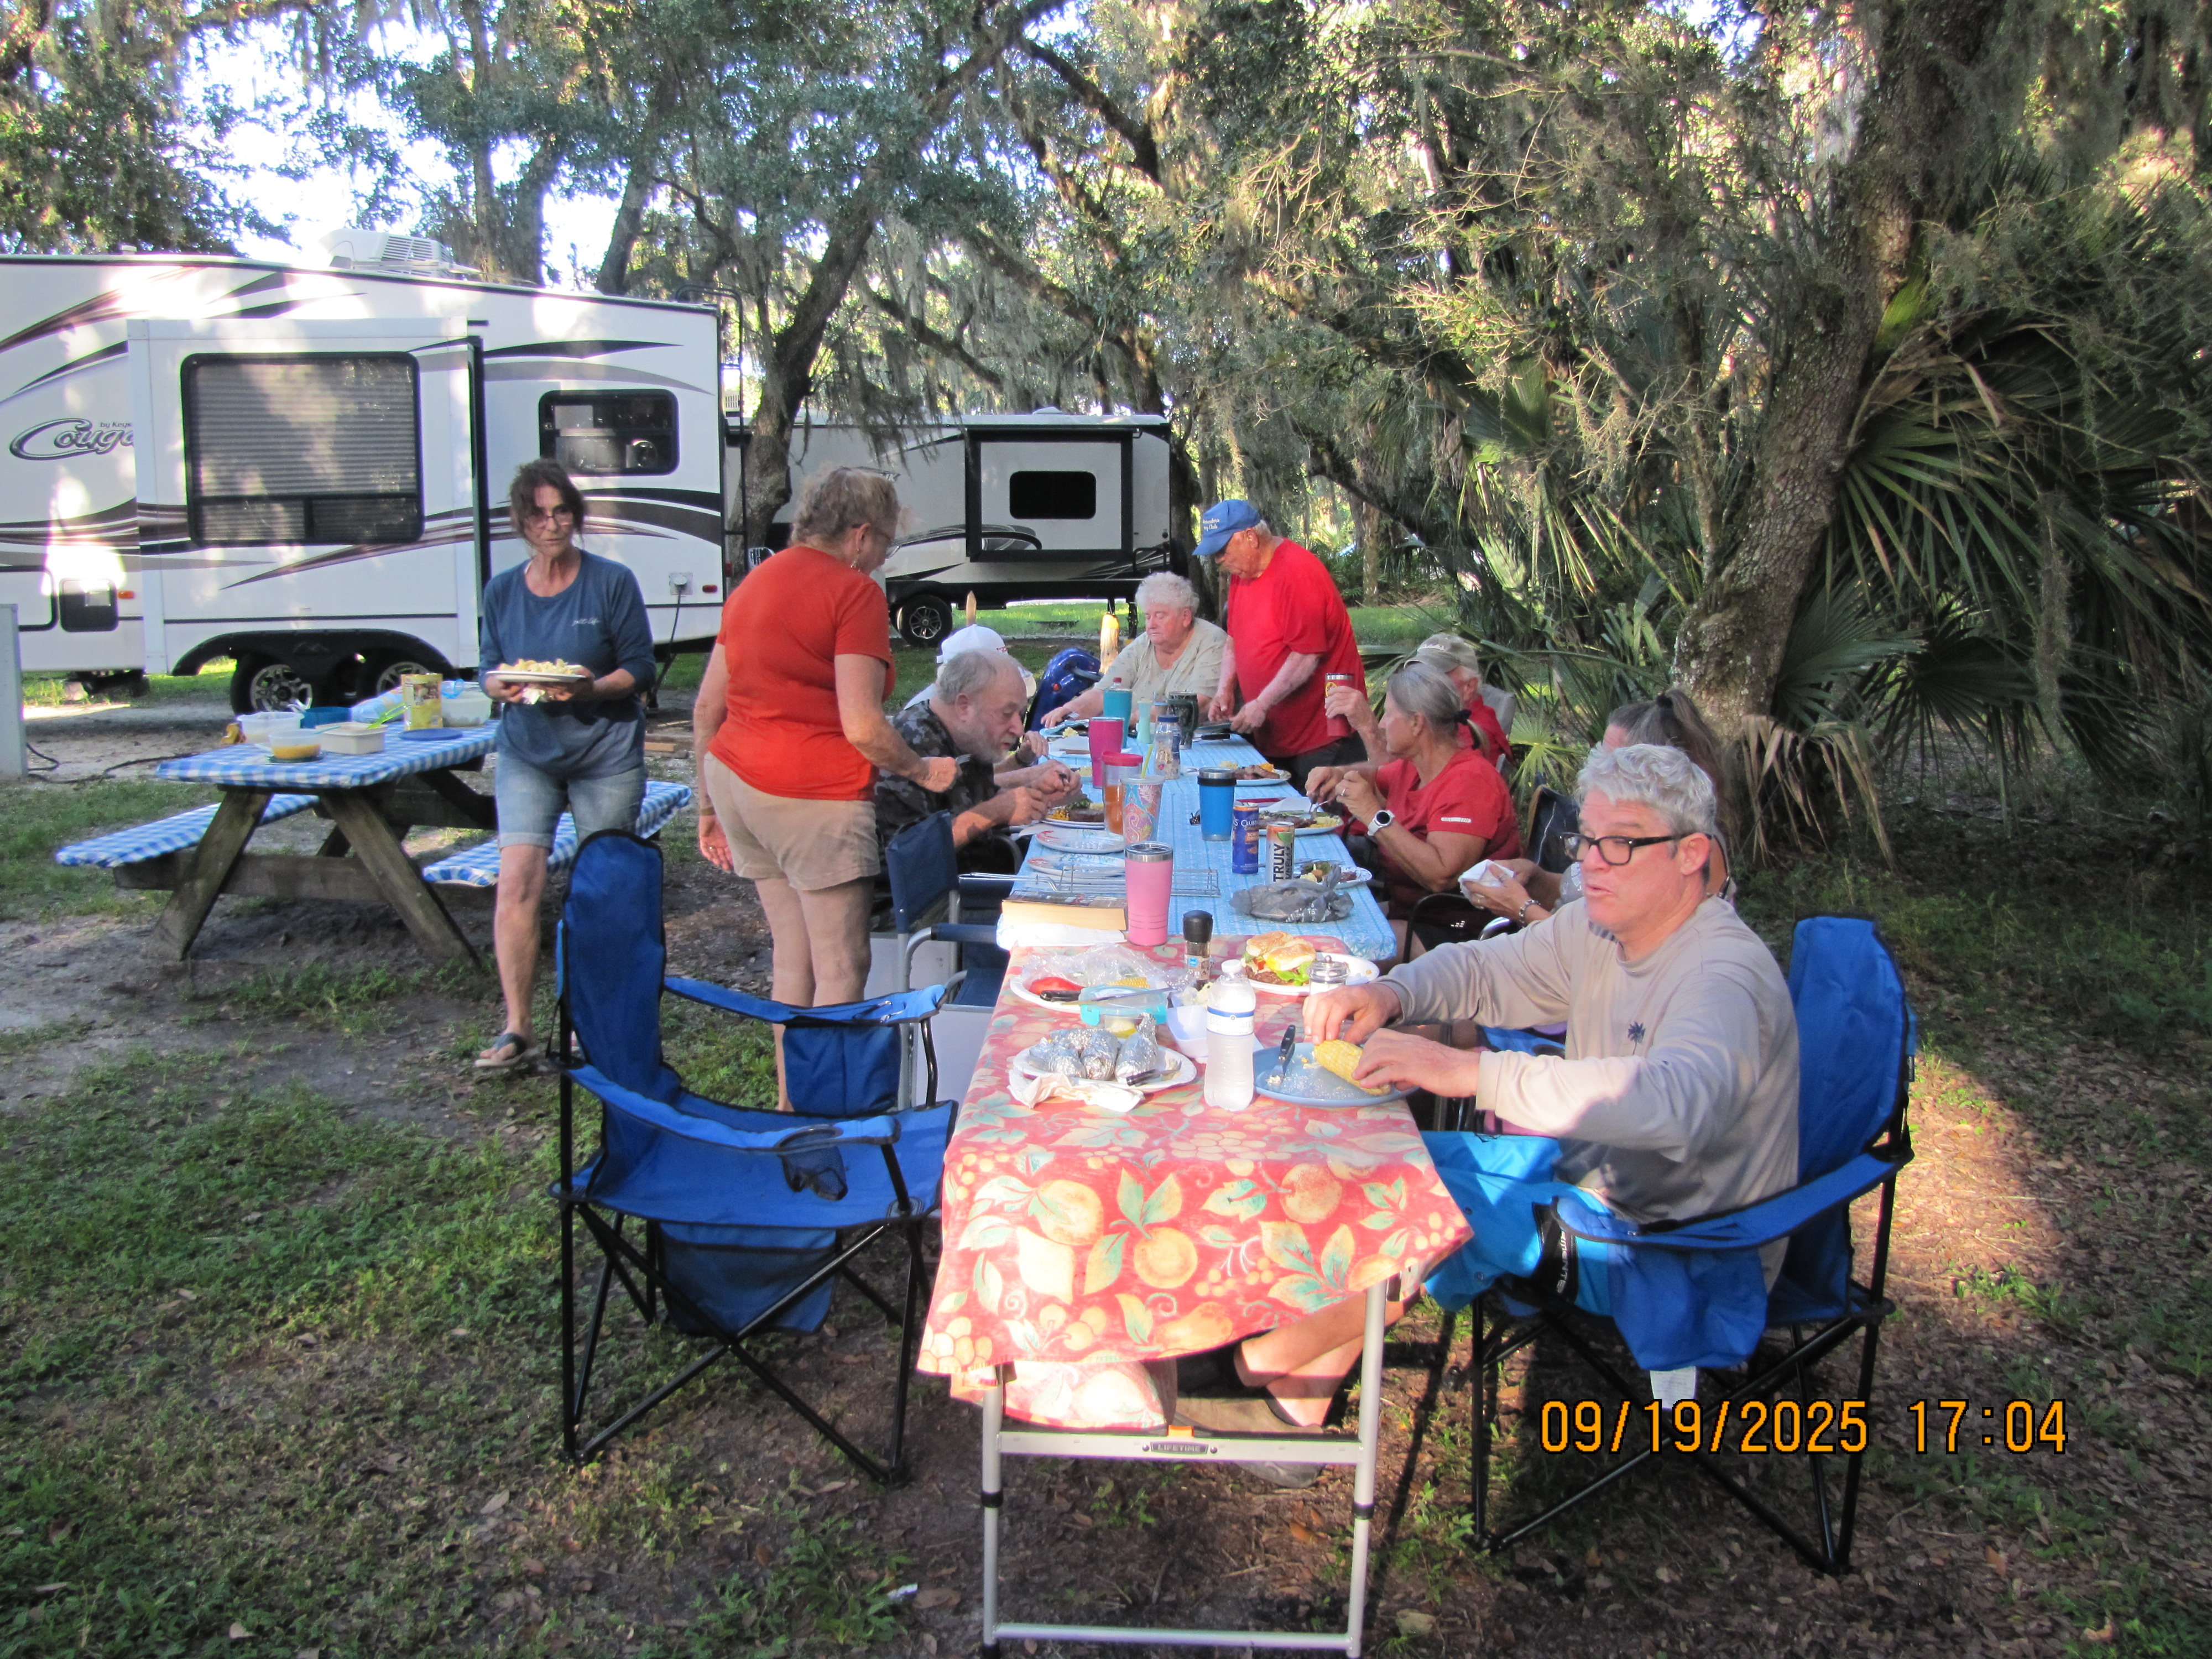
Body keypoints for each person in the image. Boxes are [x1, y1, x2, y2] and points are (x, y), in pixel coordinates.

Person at [1178, 743, 1799, 1436]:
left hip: (1680, 1242)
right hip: (1590, 1178)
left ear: (1690, 854)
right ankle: (1297, 1395)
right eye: (1586, 840)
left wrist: (1471, 1073)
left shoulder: (1720, 973)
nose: (1590, 864)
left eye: (1620, 845)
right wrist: (1391, 992)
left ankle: (1247, 1366)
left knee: (1427, 1210)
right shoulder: (1603, 926)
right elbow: (1488, 969)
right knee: (1378, 1162)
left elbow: (1673, 1104)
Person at [692, 467, 958, 1019]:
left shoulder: (754, 586)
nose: (885, 556)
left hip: (737, 783)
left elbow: (705, 709)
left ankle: (797, 1102)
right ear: (860, 534)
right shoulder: (852, 592)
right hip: (810, 796)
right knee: (841, 964)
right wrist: (922, 770)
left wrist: (707, 807)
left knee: (793, 959)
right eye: (886, 541)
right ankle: (834, 1102)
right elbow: (861, 726)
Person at [475, 459, 658, 1072]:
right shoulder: (502, 590)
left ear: (575, 516)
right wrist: (496, 684)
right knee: (518, 883)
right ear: (522, 523)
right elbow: (489, 666)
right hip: (526, 751)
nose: (551, 525)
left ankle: (592, 1023)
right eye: (538, 515)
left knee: (600, 888)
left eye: (561, 512)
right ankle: (517, 1027)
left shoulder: (610, 581)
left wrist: (591, 689)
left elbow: (641, 667)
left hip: (603, 751)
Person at [1464, 687, 1731, 930]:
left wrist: (1523, 910)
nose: (1599, 765)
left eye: (1613, 759)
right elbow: (1581, 892)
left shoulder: (1688, 847)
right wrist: (1536, 878)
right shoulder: (1615, 825)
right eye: (1600, 752)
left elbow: (1617, 951)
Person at [1305, 661, 1521, 926]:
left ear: (1417, 722)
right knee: (1306, 916)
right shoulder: (1415, 766)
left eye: (1389, 714)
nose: (1382, 724)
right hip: (1408, 913)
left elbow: (1441, 876)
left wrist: (1374, 815)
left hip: (1452, 931)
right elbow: (1375, 775)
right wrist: (1338, 772)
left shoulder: (1471, 781)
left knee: (1325, 945)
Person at [1194, 500, 1366, 790]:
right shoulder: (1243, 575)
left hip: (1319, 736)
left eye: (1222, 550)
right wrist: (1224, 690)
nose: (1218, 560)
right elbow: (1234, 641)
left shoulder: (1297, 572)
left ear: (1250, 537)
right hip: (1274, 735)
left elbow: (1307, 655)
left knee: (1315, 821)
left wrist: (1262, 702)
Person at [875, 649, 1079, 877]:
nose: (1019, 729)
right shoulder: (912, 744)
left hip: (982, 873)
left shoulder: (968, 735)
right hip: (942, 903)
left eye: (1020, 714)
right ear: (964, 706)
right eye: (1006, 713)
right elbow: (908, 858)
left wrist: (1037, 795)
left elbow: (975, 800)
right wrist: (996, 811)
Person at [1037, 572, 1228, 725]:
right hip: (1137, 738)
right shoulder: (1144, 644)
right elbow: (1105, 692)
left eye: (1160, 616)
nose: (1151, 625)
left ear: (1186, 617)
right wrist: (1070, 710)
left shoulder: (1211, 641)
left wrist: (1133, 720)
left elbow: (1197, 704)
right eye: (1148, 616)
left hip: (1196, 744)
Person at [1328, 634, 1510, 766]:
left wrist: (1368, 726)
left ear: (1469, 687)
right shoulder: (1437, 719)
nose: (1420, 685)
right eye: (1417, 675)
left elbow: (1395, 784)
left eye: (1433, 677)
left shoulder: (1467, 733)